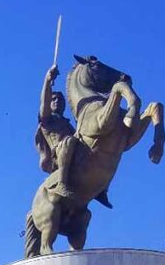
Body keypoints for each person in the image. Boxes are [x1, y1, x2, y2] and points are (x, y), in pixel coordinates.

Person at [34, 64, 112, 209]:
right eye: (54, 99)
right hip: (58, 156)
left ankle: (101, 189)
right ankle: (62, 183)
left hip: (74, 153)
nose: (57, 101)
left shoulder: (69, 125)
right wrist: (48, 80)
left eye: (60, 99)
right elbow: (43, 102)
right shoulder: (47, 120)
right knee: (69, 141)